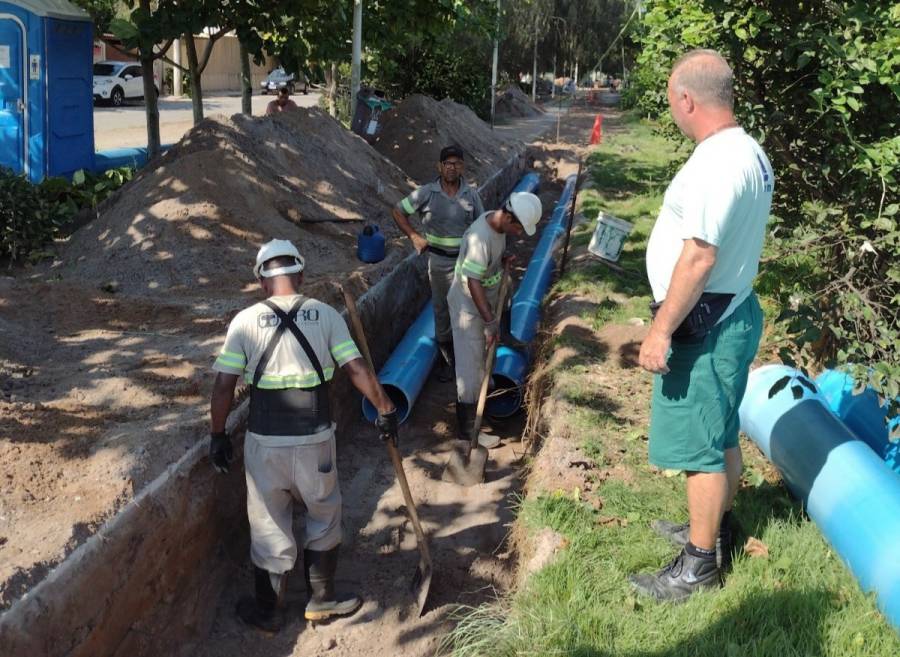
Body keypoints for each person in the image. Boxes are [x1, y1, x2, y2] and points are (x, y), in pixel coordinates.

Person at [630, 49, 774, 602]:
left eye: (671, 102)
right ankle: (714, 531)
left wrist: (661, 328)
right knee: (719, 432)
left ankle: (697, 566)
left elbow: (698, 257)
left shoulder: (718, 163)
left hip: (705, 322)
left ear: (686, 99)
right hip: (732, 311)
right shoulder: (747, 152)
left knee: (699, 449)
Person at [209, 239, 398, 632]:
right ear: (300, 275)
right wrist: (385, 409)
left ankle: (269, 611)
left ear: (262, 281)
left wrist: (218, 434)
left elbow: (223, 385)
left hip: (265, 444)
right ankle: (322, 601)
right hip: (315, 441)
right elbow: (357, 369)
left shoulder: (243, 322)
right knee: (324, 514)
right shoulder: (325, 314)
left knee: (267, 524)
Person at [448, 192, 542, 448]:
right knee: (469, 369)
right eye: (518, 228)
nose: (519, 234)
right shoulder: (480, 237)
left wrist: (500, 261)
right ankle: (468, 435)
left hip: (483, 301)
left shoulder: (495, 223)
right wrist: (490, 322)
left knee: (482, 362)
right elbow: (472, 280)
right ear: (509, 216)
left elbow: (485, 263)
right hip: (468, 308)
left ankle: (480, 416)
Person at [391, 145, 485, 382]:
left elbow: (483, 224)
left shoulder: (471, 195)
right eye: (448, 163)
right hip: (440, 262)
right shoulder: (426, 193)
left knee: (468, 309)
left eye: (457, 163)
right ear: (440, 166)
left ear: (463, 167)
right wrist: (414, 236)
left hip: (466, 263)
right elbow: (398, 211)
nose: (452, 168)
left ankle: (471, 357)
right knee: (442, 310)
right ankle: (447, 360)